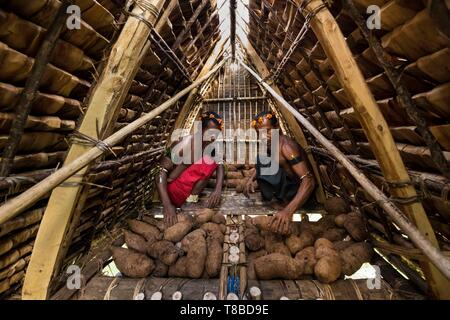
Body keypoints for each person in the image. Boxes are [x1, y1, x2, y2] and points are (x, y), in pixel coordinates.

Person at [244, 111, 316, 234]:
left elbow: (309, 181)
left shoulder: (287, 147)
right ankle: (277, 200)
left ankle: (285, 204)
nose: (264, 136)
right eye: (260, 133)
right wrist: (251, 179)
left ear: (277, 127)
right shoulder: (271, 144)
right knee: (262, 159)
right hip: (286, 187)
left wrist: (288, 211)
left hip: (299, 193)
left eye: (268, 131)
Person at [156, 111, 225, 227]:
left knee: (213, 161)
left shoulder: (210, 146)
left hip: (185, 192)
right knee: (208, 162)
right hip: (172, 191)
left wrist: (217, 189)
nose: (213, 137)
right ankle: (186, 203)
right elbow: (160, 172)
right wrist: (167, 205)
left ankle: (191, 200)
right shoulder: (186, 143)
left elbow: (220, 164)